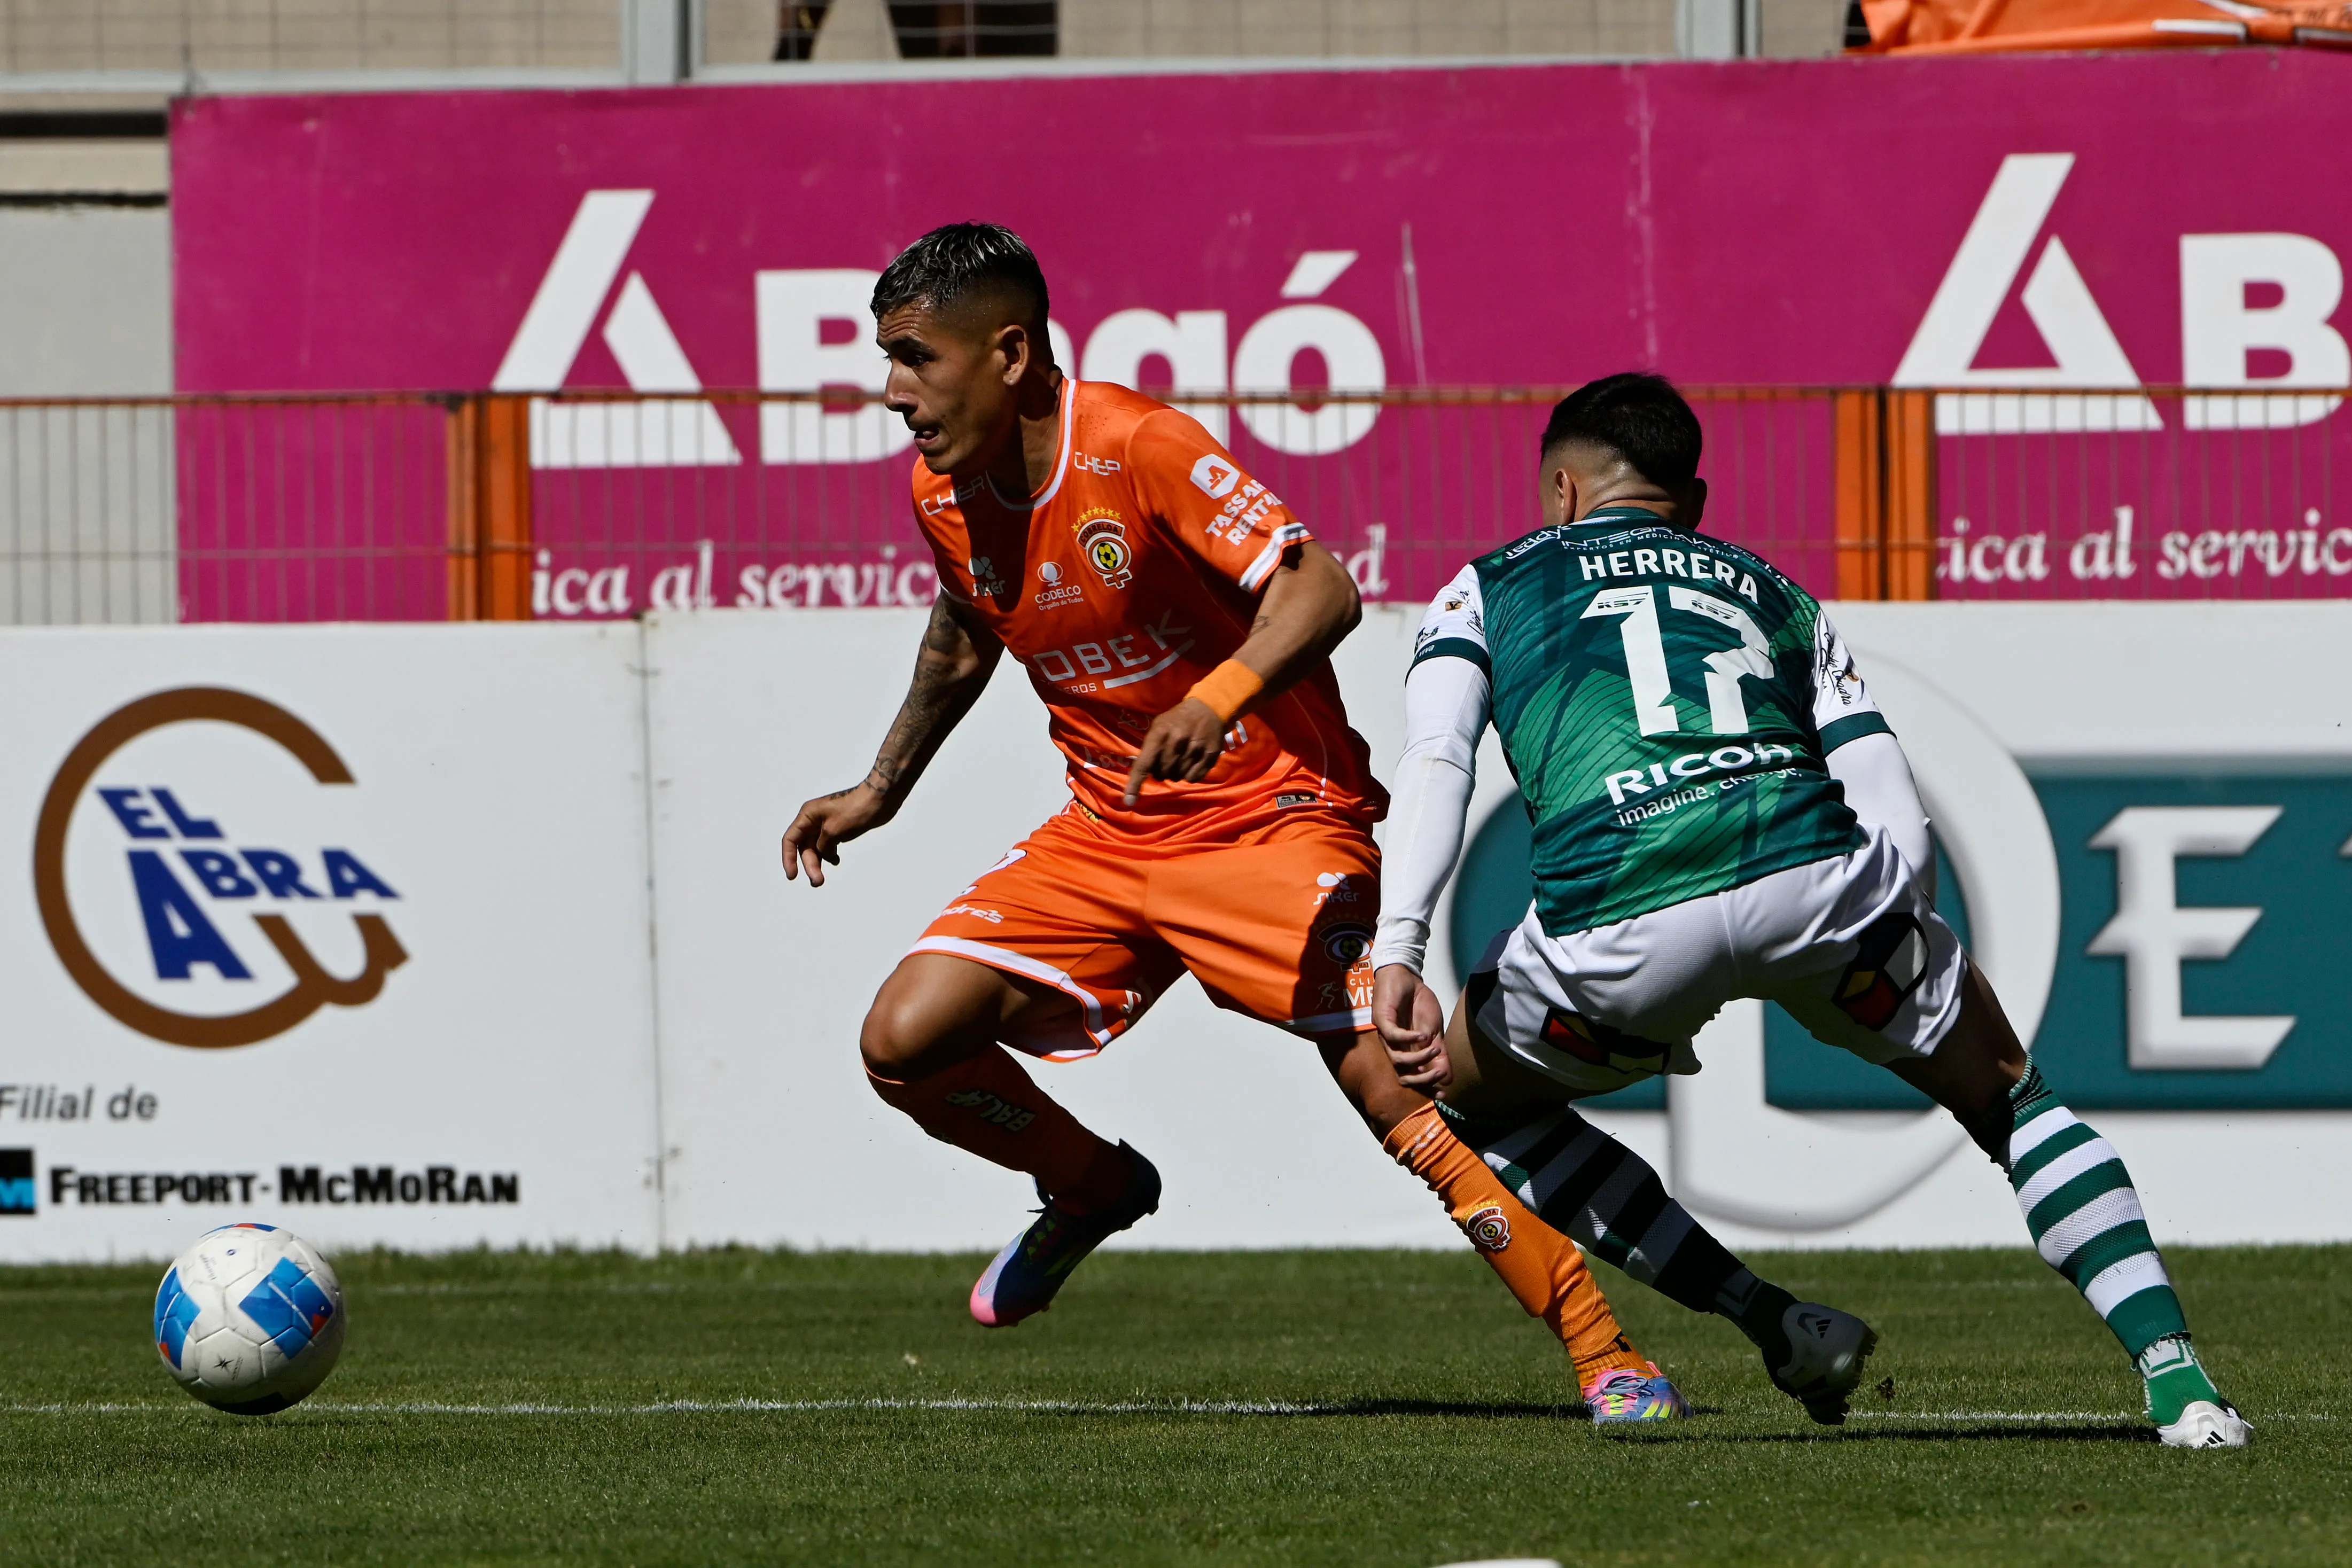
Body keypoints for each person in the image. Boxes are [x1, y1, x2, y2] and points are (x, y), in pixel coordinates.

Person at [782, 222, 1689, 1421]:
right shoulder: (940, 489)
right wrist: (880, 786)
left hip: (1271, 821)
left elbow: (1322, 588)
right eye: (887, 359)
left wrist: (1217, 699)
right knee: (904, 1036)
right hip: (1111, 834)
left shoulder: (1137, 445)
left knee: (1390, 1084)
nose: (893, 391)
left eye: (913, 358)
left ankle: (1603, 1350)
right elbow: (964, 631)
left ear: (1007, 353)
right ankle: (1091, 1184)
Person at [1369, 371, 2251, 1447]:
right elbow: (1891, 801)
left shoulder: (1487, 585)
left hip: (1617, 932)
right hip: (1819, 890)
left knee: (1464, 1099)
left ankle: (1770, 1320)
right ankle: (2179, 1385)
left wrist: (1400, 945)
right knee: (2014, 1105)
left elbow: (1437, 760)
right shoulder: (1769, 590)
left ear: (1558, 489)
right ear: (1688, 503)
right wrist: (1893, 945)